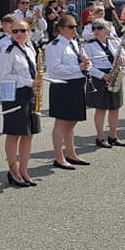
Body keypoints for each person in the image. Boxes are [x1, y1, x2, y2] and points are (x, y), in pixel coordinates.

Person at [0, 20, 41, 187]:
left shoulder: (30, 48)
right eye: (15, 31)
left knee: (28, 133)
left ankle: (24, 169)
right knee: (14, 133)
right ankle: (13, 170)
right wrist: (28, 81)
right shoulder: (8, 52)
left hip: (29, 92)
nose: (19, 34)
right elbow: (4, 76)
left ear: (28, 31)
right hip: (14, 94)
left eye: (22, 30)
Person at [45, 15, 90, 170]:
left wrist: (85, 62)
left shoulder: (74, 44)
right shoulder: (54, 45)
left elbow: (77, 63)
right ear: (61, 28)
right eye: (71, 27)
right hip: (63, 87)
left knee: (72, 122)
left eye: (76, 26)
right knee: (62, 122)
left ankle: (71, 153)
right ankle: (59, 157)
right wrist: (79, 68)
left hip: (76, 84)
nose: (74, 30)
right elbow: (54, 69)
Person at [85, 19, 125, 148]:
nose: (96, 31)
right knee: (101, 108)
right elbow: (88, 66)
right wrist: (102, 75)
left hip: (114, 74)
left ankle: (113, 136)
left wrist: (122, 61)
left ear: (107, 31)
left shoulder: (115, 42)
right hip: (100, 77)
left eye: (99, 28)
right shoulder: (89, 45)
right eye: (94, 28)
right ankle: (100, 137)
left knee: (115, 107)